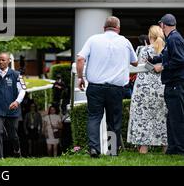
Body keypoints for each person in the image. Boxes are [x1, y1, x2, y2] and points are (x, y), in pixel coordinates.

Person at [76, 16, 138, 158]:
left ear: (104, 28)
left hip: (95, 87)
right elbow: (135, 62)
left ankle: (94, 149)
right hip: (116, 88)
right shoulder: (125, 41)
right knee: (114, 120)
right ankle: (112, 151)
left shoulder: (93, 39)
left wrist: (80, 77)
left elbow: (80, 59)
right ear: (118, 28)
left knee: (94, 117)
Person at [127, 25, 167, 154]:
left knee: (143, 118)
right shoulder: (167, 50)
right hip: (162, 87)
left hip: (143, 89)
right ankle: (165, 148)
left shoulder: (144, 50)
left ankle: (144, 149)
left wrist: (152, 68)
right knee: (162, 117)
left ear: (150, 36)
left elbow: (139, 66)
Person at [151, 14, 184, 155]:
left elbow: (179, 60)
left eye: (161, 25)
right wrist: (153, 59)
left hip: (176, 83)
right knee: (172, 117)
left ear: (163, 25)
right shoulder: (172, 38)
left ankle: (179, 149)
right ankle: (173, 148)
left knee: (177, 118)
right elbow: (167, 56)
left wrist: (162, 67)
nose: (160, 27)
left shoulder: (174, 39)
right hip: (173, 84)